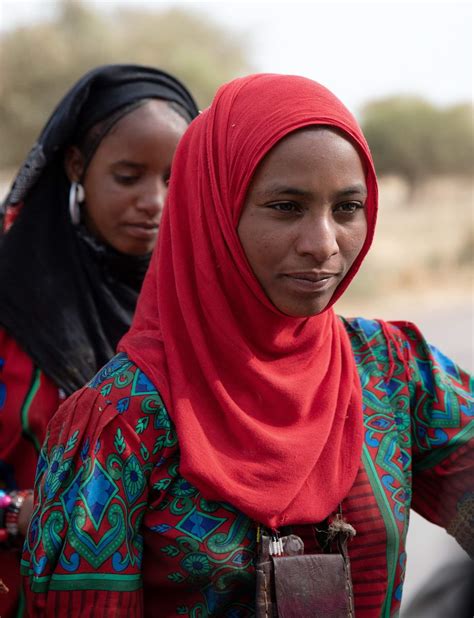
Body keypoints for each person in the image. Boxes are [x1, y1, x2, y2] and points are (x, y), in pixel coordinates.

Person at [20, 74, 472, 617]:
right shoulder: (119, 423)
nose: (323, 244)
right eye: (286, 206)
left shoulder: (396, 369)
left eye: (348, 208)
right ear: (214, 213)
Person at [0, 64, 198, 617]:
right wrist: (17, 512)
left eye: (174, 179)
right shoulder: (10, 301)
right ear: (77, 168)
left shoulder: (206, 307)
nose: (155, 202)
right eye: (129, 176)